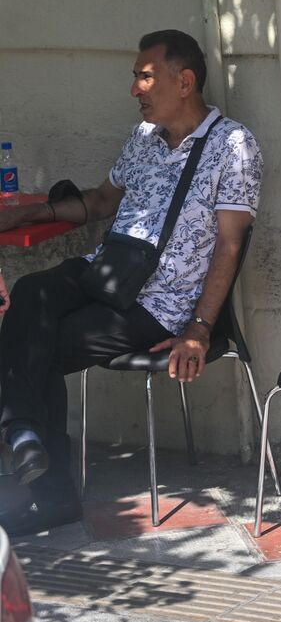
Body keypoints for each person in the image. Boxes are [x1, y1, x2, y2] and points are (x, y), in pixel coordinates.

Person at [0, 30, 261, 535]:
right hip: (108, 271)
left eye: (145, 77)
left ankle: (43, 481)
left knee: (36, 346)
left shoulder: (233, 145)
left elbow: (230, 245)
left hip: (160, 304)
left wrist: (199, 328)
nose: (135, 89)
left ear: (184, 82)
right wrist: (32, 213)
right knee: (32, 292)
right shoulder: (144, 137)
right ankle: (23, 433)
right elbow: (101, 201)